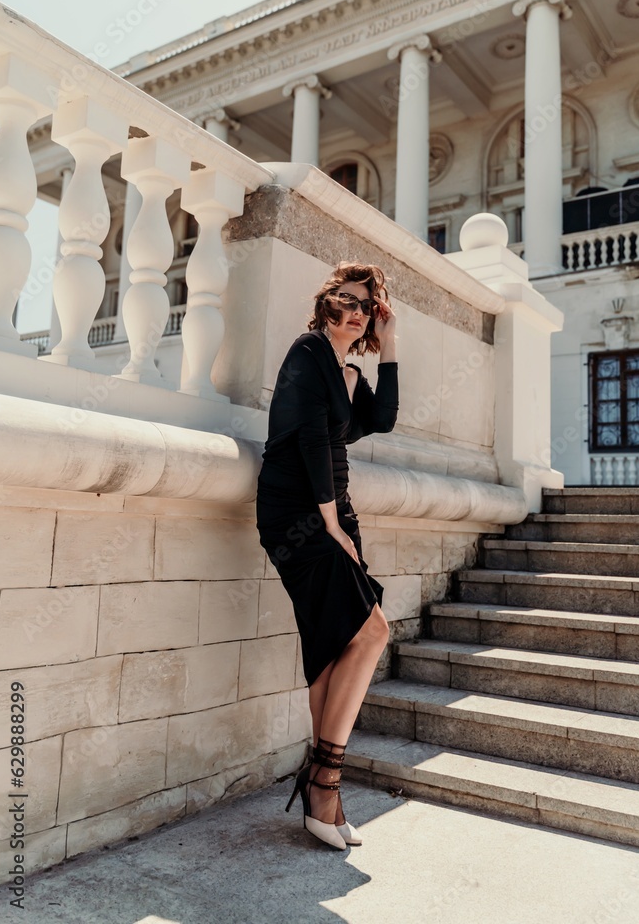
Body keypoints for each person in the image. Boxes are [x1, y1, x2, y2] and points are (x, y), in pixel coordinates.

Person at [255, 261, 399, 850]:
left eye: (366, 304)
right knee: (373, 633)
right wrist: (329, 522)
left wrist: (390, 345)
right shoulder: (308, 350)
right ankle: (324, 782)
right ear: (326, 304)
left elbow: (382, 420)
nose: (356, 310)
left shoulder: (347, 371)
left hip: (332, 511)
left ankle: (322, 796)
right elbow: (312, 436)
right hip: (300, 512)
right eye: (346, 298)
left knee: (332, 643)